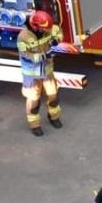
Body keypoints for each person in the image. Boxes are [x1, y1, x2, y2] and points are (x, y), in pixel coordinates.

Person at [18, 9, 63, 137]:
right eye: (44, 30)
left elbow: (57, 31)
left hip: (47, 71)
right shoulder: (23, 37)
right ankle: (35, 125)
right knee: (34, 101)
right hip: (32, 74)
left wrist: (56, 41)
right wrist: (44, 56)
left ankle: (54, 117)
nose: (47, 31)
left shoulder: (48, 27)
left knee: (53, 95)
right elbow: (25, 54)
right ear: (35, 27)